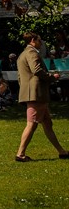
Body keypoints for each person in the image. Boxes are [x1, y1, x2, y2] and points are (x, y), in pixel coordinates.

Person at [15, 32, 69, 162]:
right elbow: (37, 70)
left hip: (33, 93)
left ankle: (61, 151)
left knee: (47, 124)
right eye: (39, 40)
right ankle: (20, 154)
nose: (41, 43)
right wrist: (52, 77)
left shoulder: (23, 54)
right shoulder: (32, 53)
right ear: (33, 40)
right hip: (35, 94)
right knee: (31, 124)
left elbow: (20, 76)